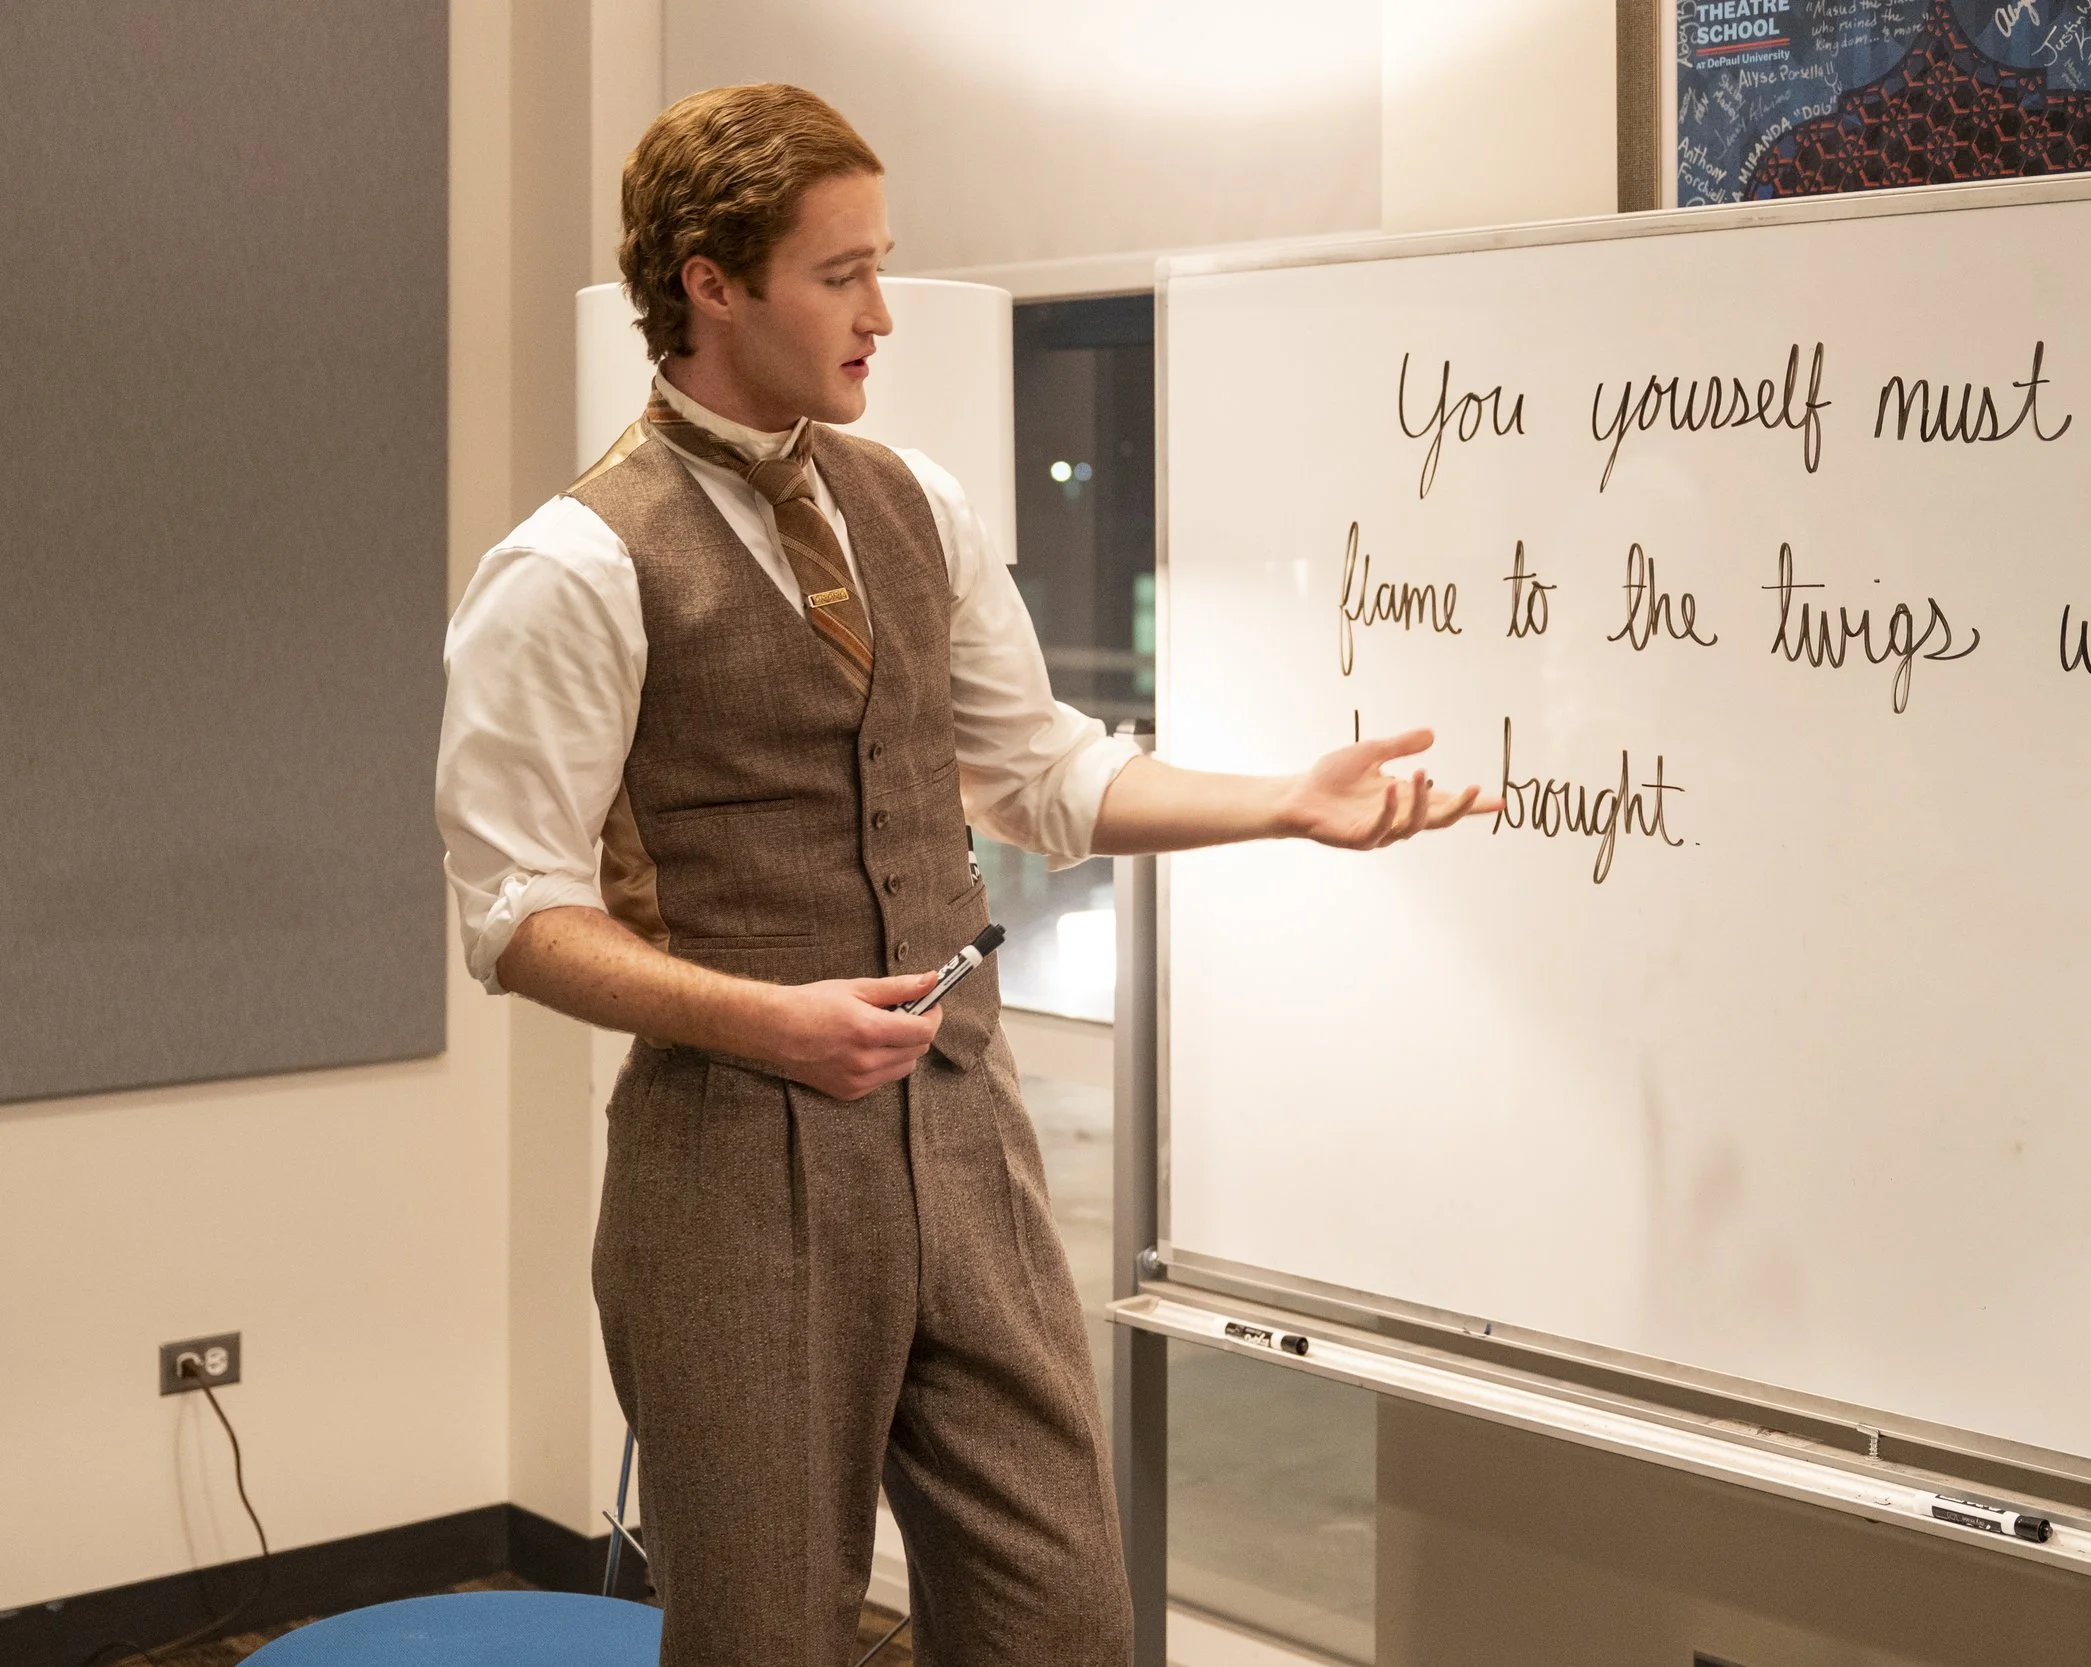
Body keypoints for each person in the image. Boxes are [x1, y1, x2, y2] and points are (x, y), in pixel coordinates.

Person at [436, 81, 1484, 1667]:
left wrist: (1285, 801)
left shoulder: (915, 503)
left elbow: (1041, 770)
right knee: (764, 1638)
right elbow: (516, 915)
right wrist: (768, 1021)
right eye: (840, 272)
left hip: (967, 1138)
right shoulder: (571, 567)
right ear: (712, 284)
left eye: (881, 262)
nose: (882, 312)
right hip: (731, 1170)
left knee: (1062, 1615)